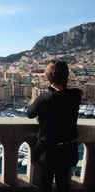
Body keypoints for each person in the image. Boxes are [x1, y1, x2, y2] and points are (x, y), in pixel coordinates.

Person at [27, 60, 82, 192]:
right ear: (66, 76)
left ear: (48, 77)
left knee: (45, 184)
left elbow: (30, 113)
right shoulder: (76, 95)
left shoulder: (44, 98)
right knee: (63, 184)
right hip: (68, 149)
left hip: (49, 151)